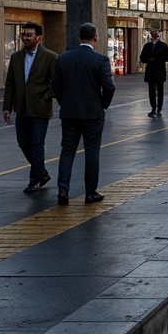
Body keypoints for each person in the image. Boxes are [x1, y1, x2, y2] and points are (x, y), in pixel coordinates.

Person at [53, 22, 115, 205]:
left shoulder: (63, 58)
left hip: (70, 112)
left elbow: (56, 85)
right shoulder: (100, 60)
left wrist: (64, 103)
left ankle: (63, 189)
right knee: (92, 152)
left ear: (78, 37)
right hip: (93, 113)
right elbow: (109, 87)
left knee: (67, 150)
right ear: (95, 38)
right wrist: (102, 104)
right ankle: (90, 192)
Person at [2, 21, 56, 194]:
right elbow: (10, 83)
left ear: (38, 37)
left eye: (29, 35)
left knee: (37, 143)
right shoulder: (16, 57)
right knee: (23, 142)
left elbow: (56, 83)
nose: (25, 38)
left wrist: (45, 96)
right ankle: (42, 172)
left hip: (40, 108)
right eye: (24, 34)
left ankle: (35, 180)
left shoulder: (50, 57)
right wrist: (7, 107)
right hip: (22, 108)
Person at [139, 29, 168, 118]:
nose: (154, 38)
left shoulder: (163, 46)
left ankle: (159, 108)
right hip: (150, 71)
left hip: (159, 70)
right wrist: (149, 59)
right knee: (151, 91)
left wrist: (156, 59)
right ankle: (153, 108)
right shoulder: (147, 46)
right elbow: (142, 57)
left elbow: (167, 57)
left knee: (160, 91)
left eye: (156, 36)